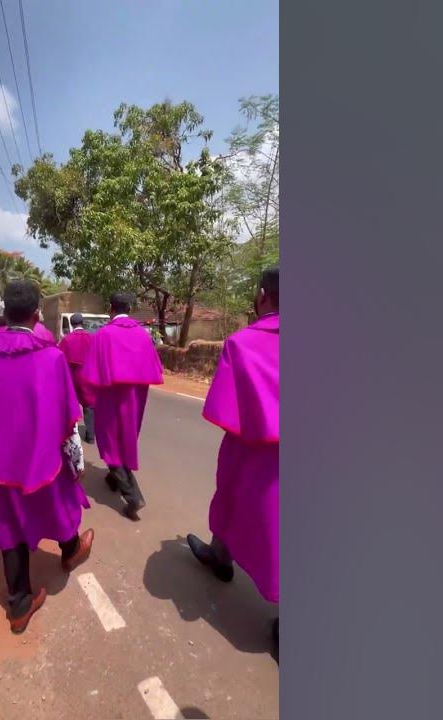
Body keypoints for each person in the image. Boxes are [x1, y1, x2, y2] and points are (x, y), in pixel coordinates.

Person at [0, 280, 96, 634]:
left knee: (6, 519)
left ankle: (19, 602)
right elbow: (67, 415)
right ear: (36, 316)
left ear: (5, 313)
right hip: (39, 457)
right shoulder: (50, 357)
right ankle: (70, 549)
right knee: (58, 498)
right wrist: (73, 455)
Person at [185, 267, 280, 649]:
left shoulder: (243, 344)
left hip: (253, 451)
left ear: (261, 295)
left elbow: (223, 410)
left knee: (232, 498)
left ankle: (221, 557)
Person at [79, 292, 163, 520]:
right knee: (125, 439)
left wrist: (89, 399)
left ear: (111, 308)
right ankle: (113, 479)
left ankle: (133, 496)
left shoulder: (104, 334)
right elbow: (155, 368)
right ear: (131, 307)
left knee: (110, 442)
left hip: (111, 397)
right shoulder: (143, 334)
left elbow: (90, 374)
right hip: (136, 397)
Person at [57, 313, 96, 443]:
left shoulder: (67, 339)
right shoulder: (91, 338)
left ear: (72, 324)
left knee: (70, 403)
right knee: (89, 405)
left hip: (72, 376)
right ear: (82, 323)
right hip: (88, 376)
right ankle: (90, 436)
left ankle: (68, 434)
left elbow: (60, 359)